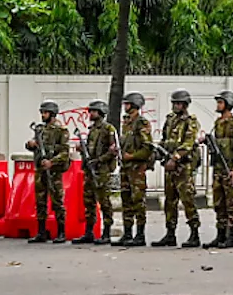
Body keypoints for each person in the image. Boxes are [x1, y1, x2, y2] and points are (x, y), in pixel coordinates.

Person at [152, 89, 201, 249]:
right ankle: (170, 233)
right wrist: (158, 151)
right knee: (169, 201)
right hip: (170, 166)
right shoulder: (170, 119)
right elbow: (165, 139)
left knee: (187, 200)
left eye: (178, 103)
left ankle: (194, 233)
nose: (175, 106)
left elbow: (188, 144)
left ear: (185, 105)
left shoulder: (191, 121)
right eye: (174, 103)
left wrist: (175, 158)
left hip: (183, 167)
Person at [205, 90, 233, 249]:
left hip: (229, 169)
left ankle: (232, 237)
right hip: (218, 170)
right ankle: (220, 235)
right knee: (219, 203)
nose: (218, 105)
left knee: (232, 204)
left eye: (220, 102)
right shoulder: (217, 123)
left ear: (228, 104)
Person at [72, 99, 118, 245]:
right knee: (89, 202)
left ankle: (106, 233)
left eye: (93, 111)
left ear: (101, 113)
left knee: (104, 202)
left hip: (101, 171)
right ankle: (89, 232)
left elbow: (113, 150)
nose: (90, 113)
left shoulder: (108, 129)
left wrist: (98, 160)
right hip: (90, 170)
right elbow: (90, 149)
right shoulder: (92, 130)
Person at [25, 100, 70, 244]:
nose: (43, 115)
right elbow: (33, 145)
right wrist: (31, 144)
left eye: (45, 113)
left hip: (54, 171)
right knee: (40, 201)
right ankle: (41, 232)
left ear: (52, 114)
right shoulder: (41, 129)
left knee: (57, 201)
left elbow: (65, 152)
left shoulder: (60, 130)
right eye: (42, 112)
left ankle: (61, 232)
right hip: (40, 170)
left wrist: (52, 162)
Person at [113, 91, 152, 247]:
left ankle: (140, 234)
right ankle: (127, 233)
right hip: (126, 168)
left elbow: (147, 148)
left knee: (138, 202)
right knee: (126, 201)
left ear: (134, 105)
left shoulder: (141, 123)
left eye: (127, 104)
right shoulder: (126, 124)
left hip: (137, 169)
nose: (125, 106)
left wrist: (133, 156)